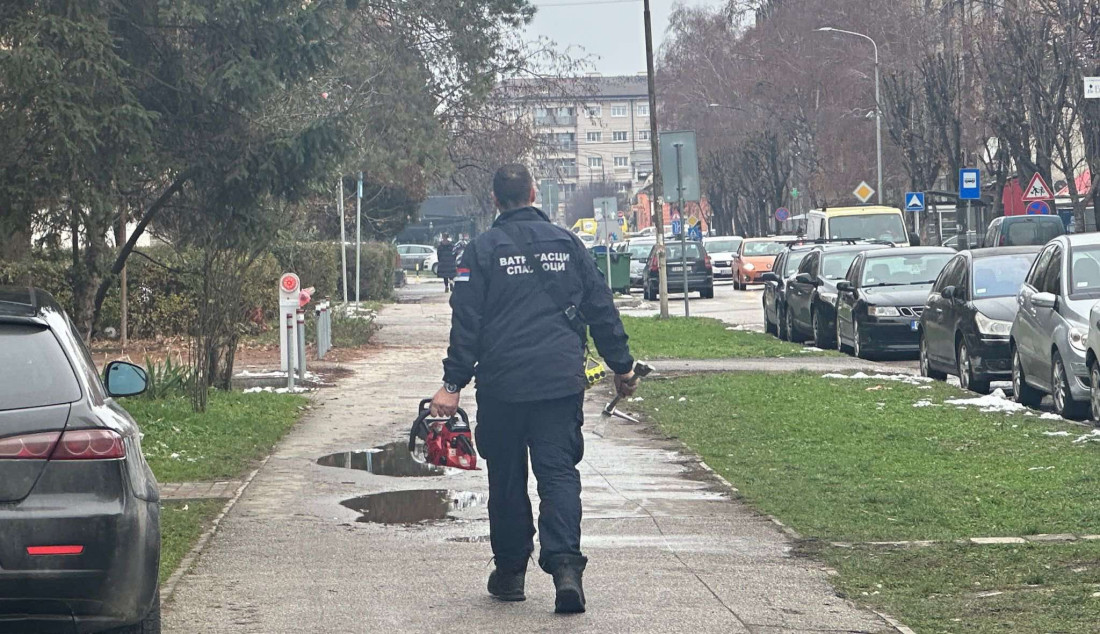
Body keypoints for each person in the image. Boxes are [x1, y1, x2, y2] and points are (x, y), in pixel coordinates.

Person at [430, 163, 638, 614]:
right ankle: (566, 569)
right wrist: (622, 367)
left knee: (506, 479)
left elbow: (466, 323)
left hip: (502, 385)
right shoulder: (567, 244)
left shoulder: (481, 250)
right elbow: (601, 307)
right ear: (531, 193)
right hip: (559, 383)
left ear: (495, 198)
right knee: (558, 474)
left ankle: (510, 575)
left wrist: (452, 385)